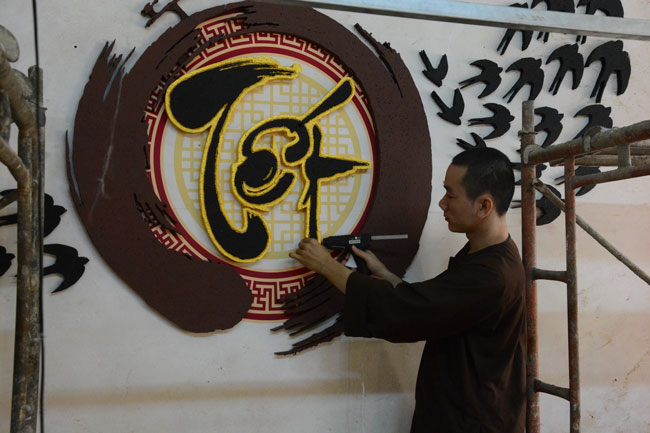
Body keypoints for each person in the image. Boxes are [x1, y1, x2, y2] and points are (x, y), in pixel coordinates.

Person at [290, 147, 526, 433]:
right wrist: (387, 275)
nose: (442, 204)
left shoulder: (492, 274)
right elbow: (436, 306)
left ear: (484, 206)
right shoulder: (489, 255)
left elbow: (409, 312)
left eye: (450, 195)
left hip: (473, 421)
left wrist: (326, 266)